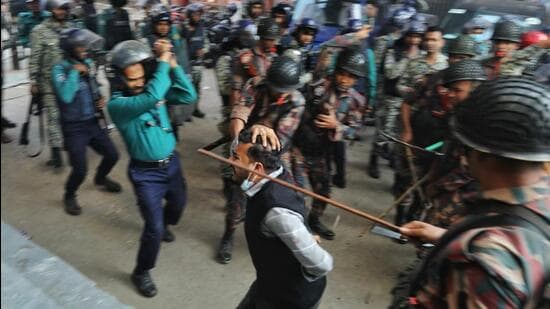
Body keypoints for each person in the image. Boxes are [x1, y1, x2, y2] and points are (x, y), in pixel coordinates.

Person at [401, 77, 549, 308]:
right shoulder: (539, 202)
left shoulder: (481, 263)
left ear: (477, 152)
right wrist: (447, 236)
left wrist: (470, 246)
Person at [107, 40, 197, 297]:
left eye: (141, 77)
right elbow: (154, 96)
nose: (138, 83)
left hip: (171, 164)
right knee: (153, 230)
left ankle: (164, 223)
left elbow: (189, 96)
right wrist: (162, 62)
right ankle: (141, 271)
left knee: (178, 206)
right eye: (131, 79)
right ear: (118, 79)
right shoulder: (118, 106)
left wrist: (174, 66)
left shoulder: (150, 90)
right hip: (146, 175)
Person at [218, 56, 306, 264]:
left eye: (283, 89)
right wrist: (238, 145)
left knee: (291, 195)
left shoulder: (297, 102)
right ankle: (228, 235)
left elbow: (279, 142)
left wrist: (263, 131)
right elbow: (239, 114)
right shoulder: (255, 84)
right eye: (276, 88)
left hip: (274, 152)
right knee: (236, 200)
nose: (279, 93)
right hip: (244, 145)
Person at [232, 129, 333, 309]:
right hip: (268, 286)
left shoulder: (277, 214)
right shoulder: (277, 171)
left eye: (236, 159)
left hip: (288, 298)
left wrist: (305, 247)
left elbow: (322, 264)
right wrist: (260, 126)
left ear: (257, 169)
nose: (230, 162)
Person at [294, 48, 366, 240]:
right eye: (342, 73)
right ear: (335, 71)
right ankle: (299, 229)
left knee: (323, 191)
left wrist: (338, 126)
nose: (345, 79)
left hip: (322, 153)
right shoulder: (317, 85)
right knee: (296, 192)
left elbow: (355, 130)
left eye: (351, 76)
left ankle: (314, 220)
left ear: (357, 79)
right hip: (297, 149)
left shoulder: (356, 101)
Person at [51, 28, 121, 215]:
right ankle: (69, 194)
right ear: (69, 48)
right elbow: (66, 96)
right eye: (80, 46)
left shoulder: (88, 63)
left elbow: (92, 87)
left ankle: (100, 178)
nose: (85, 49)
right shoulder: (59, 69)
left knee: (113, 155)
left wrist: (98, 99)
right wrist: (74, 73)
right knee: (80, 169)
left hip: (91, 122)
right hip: (73, 127)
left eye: (85, 45)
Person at [29, 0, 74, 168]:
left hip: (68, 81)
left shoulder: (72, 28)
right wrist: (33, 80)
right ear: (50, 9)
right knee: (53, 117)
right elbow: (34, 58)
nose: (61, 11)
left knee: (69, 115)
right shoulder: (39, 31)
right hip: (48, 83)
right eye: (58, 8)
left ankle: (70, 145)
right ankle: (56, 155)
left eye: (64, 8)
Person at [144, 4, 193, 139]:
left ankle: (172, 139)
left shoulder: (171, 39)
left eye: (166, 24)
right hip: (155, 86)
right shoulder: (148, 42)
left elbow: (179, 58)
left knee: (173, 117)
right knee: (157, 118)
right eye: (160, 24)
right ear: (154, 24)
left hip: (169, 85)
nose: (163, 27)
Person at [181, 3, 206, 118]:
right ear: (189, 15)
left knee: (197, 87)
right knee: (187, 88)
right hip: (186, 64)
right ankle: (187, 112)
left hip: (198, 63)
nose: (197, 17)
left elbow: (205, 41)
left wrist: (204, 50)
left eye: (198, 14)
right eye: (194, 15)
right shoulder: (183, 28)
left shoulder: (201, 26)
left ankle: (195, 109)